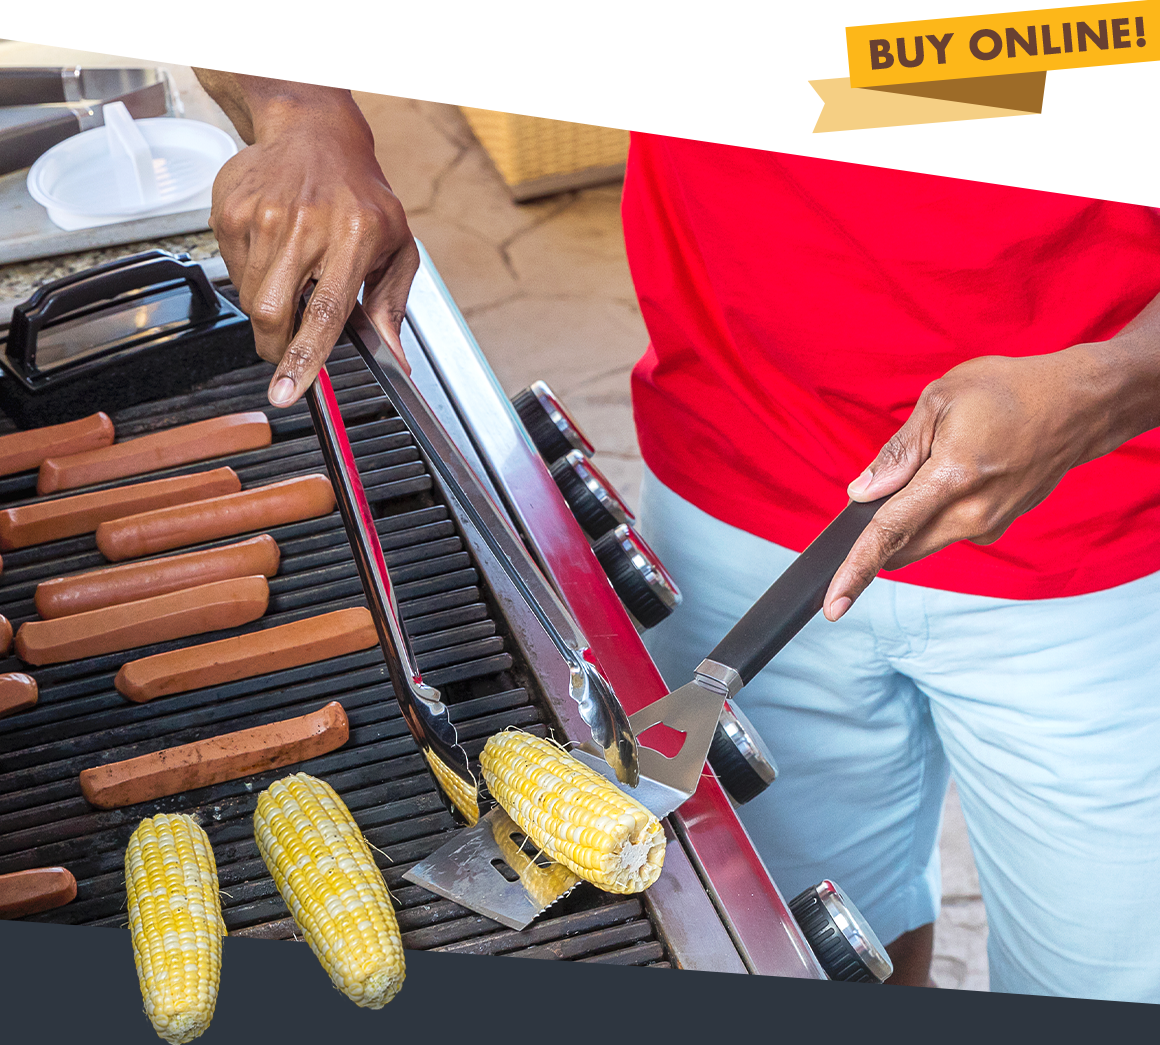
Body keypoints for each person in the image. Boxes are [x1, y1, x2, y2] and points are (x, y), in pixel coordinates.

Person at [191, 72, 1160, 999]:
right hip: (734, 473)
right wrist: (298, 106)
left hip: (1107, 533)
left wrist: (1112, 384)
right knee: (812, 942)